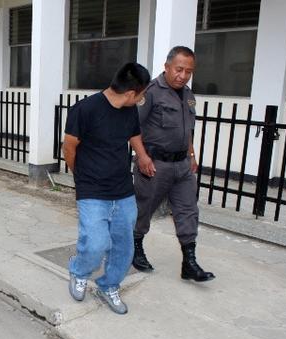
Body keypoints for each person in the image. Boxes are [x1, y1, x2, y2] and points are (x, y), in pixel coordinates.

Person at [62, 63, 150, 315]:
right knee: (96, 244)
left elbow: (133, 135)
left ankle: (108, 285)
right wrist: (81, 175)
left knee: (124, 246)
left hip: (123, 190)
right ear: (132, 93)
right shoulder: (85, 109)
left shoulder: (129, 110)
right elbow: (69, 147)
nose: (143, 99)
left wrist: (142, 156)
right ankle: (79, 270)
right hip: (92, 190)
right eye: (142, 94)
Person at [131, 46, 215, 283]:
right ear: (166, 67)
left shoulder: (188, 95)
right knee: (143, 208)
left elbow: (187, 128)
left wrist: (191, 154)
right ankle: (134, 248)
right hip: (155, 164)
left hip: (182, 165)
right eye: (179, 69)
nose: (183, 75)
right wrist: (143, 156)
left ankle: (189, 263)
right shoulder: (151, 92)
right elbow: (132, 127)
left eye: (188, 71)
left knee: (188, 211)